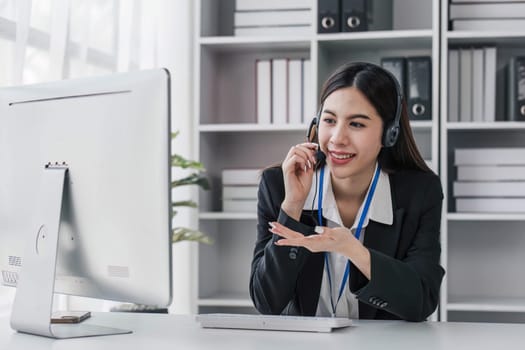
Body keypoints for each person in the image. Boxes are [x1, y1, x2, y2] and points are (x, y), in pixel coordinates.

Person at [249, 62, 444, 322]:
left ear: (389, 134)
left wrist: (356, 251)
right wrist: (292, 207)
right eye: (329, 120)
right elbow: (267, 302)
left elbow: (421, 301)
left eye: (357, 124)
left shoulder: (420, 191)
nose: (337, 138)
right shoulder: (279, 185)